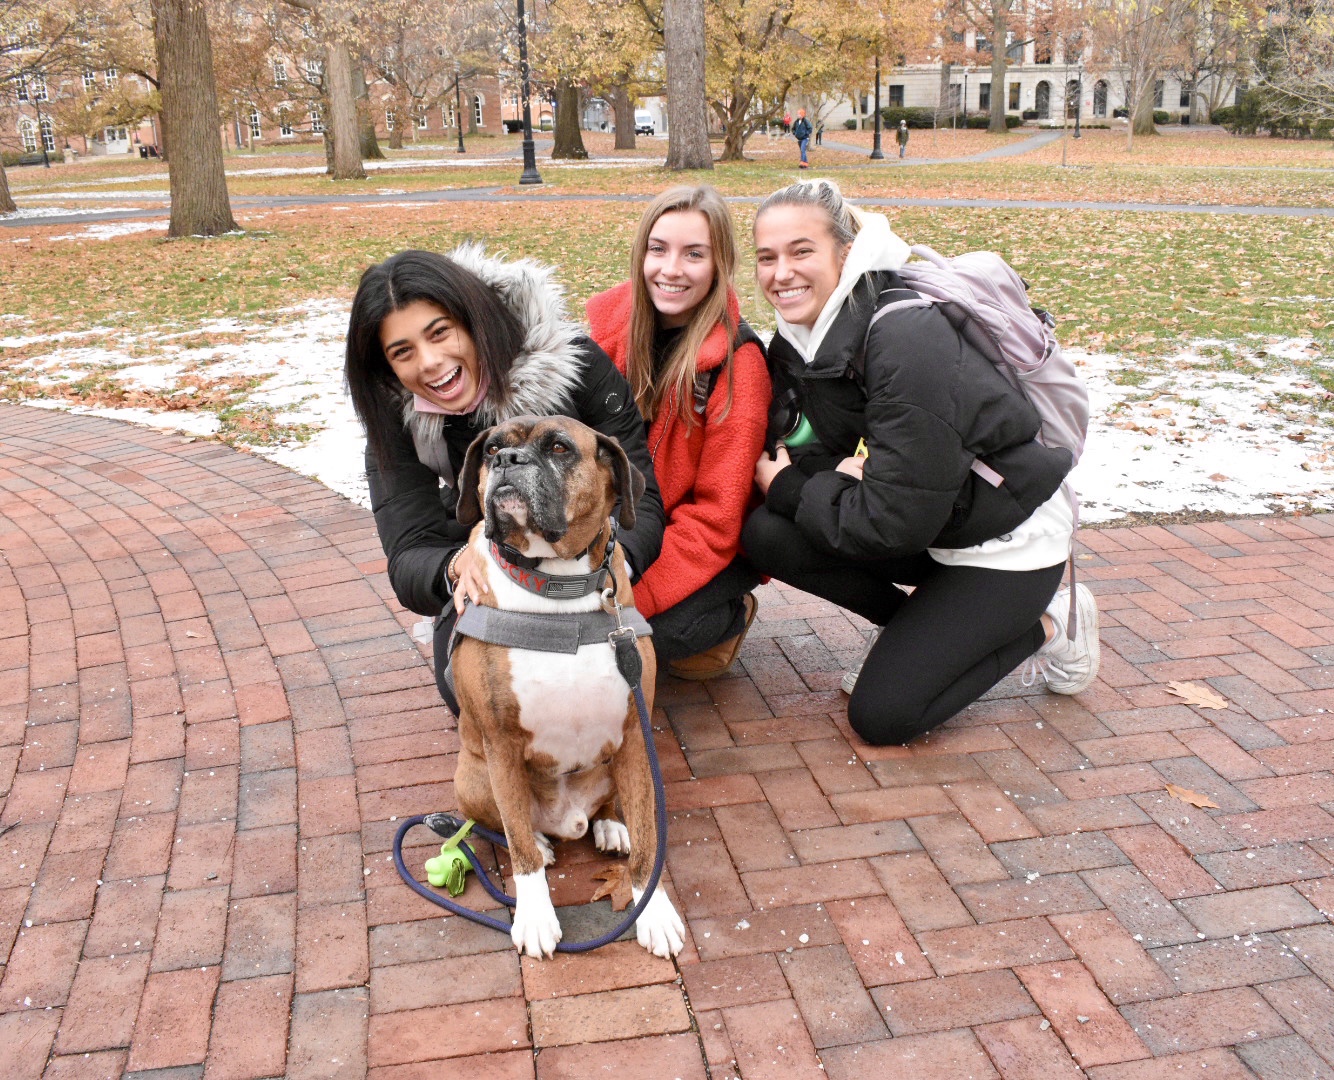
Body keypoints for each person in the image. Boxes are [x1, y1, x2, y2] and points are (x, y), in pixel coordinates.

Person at [743, 178, 1099, 746]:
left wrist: (790, 485)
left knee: (883, 717)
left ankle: (1053, 625)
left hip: (1006, 542)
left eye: (801, 251)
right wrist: (833, 480)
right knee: (766, 534)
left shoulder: (906, 338)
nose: (781, 273)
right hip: (936, 520)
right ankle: (916, 633)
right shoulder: (797, 340)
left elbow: (890, 521)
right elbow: (814, 454)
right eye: (767, 257)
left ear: (846, 252)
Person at [345, 247, 666, 712]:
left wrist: (611, 568)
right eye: (403, 352)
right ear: (386, 367)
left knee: (664, 639)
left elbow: (642, 500)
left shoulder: (571, 361)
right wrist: (456, 565)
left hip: (590, 559)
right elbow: (409, 551)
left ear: (473, 318)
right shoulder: (395, 417)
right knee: (469, 694)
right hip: (489, 560)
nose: (430, 361)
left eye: (440, 332)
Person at [587, 185, 771, 680]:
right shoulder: (608, 336)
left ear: (719, 264)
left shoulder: (739, 365)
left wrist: (624, 597)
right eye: (658, 249)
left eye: (694, 254)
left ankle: (730, 614)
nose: (671, 269)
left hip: (704, 542)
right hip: (631, 528)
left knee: (652, 634)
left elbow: (716, 520)